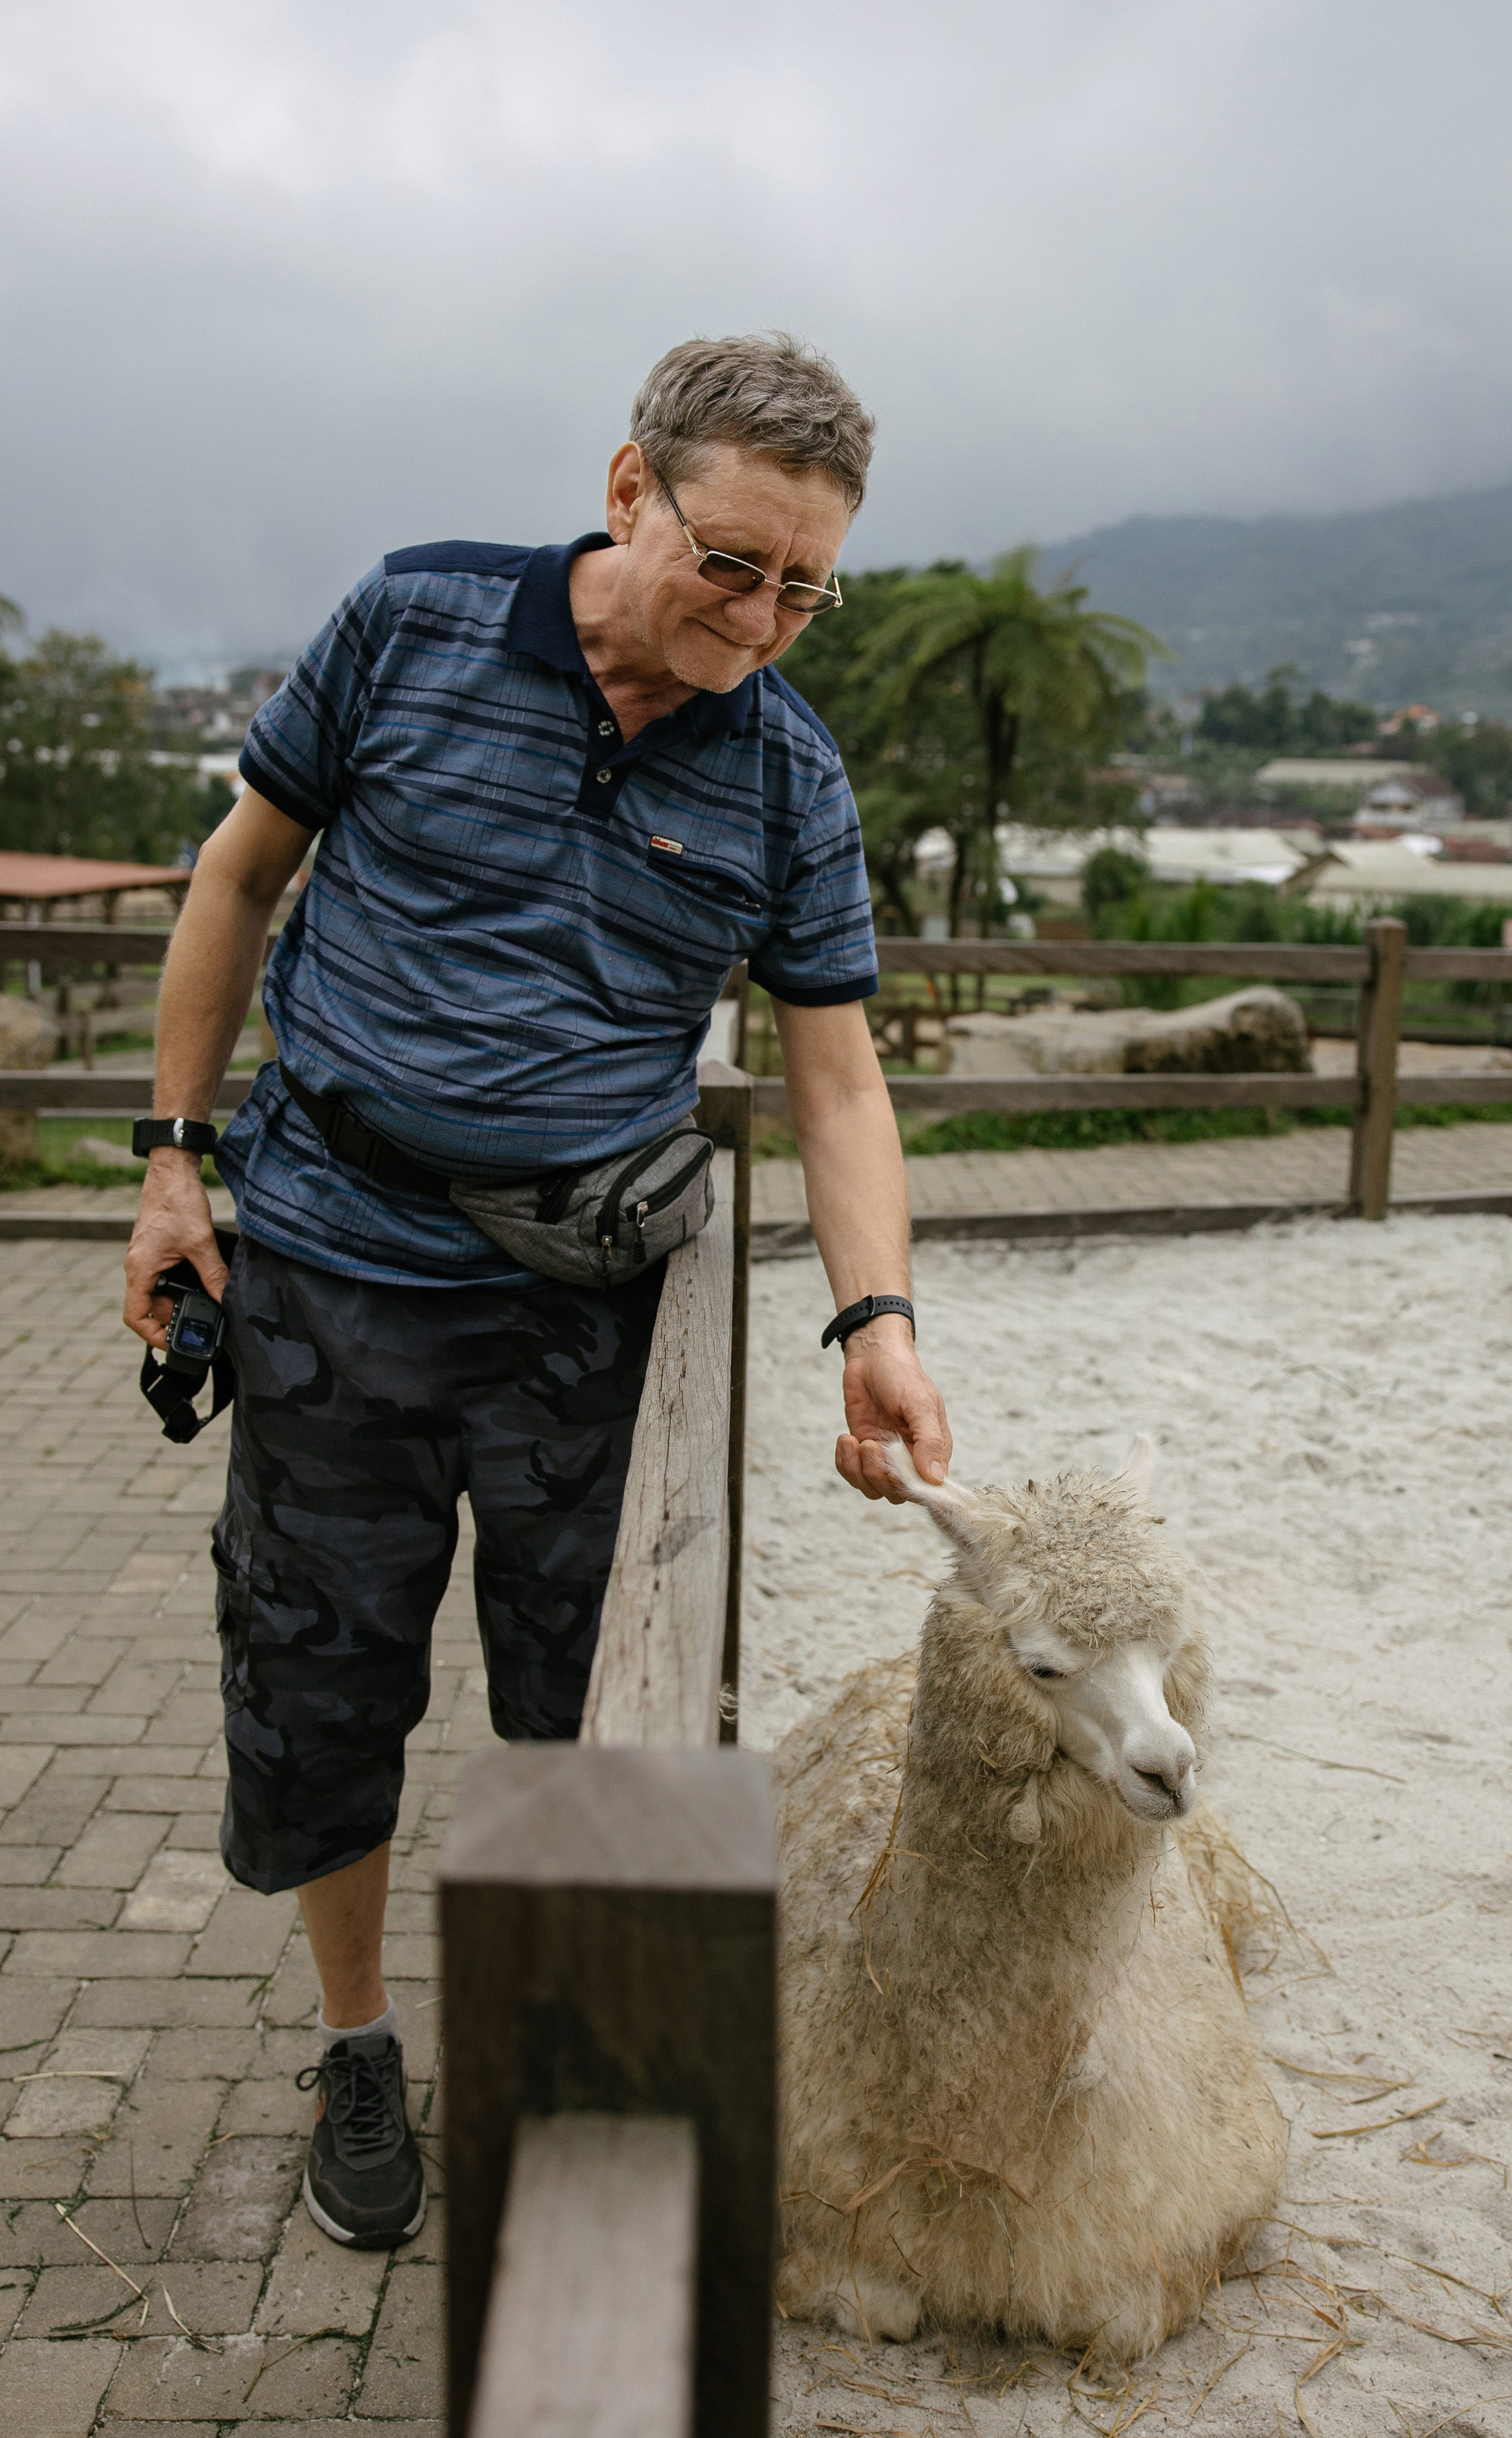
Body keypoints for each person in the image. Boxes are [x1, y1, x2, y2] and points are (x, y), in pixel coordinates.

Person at [121, 333, 951, 2250]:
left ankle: (577, 2070)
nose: (760, 619)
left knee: (599, 1713)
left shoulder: (786, 778)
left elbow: (836, 1075)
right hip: (327, 1264)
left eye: (805, 587)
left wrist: (877, 1326)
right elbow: (241, 879)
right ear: (628, 487)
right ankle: (357, 2043)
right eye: (730, 563)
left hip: (588, 1311)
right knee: (323, 1677)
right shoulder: (413, 622)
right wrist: (173, 1162)